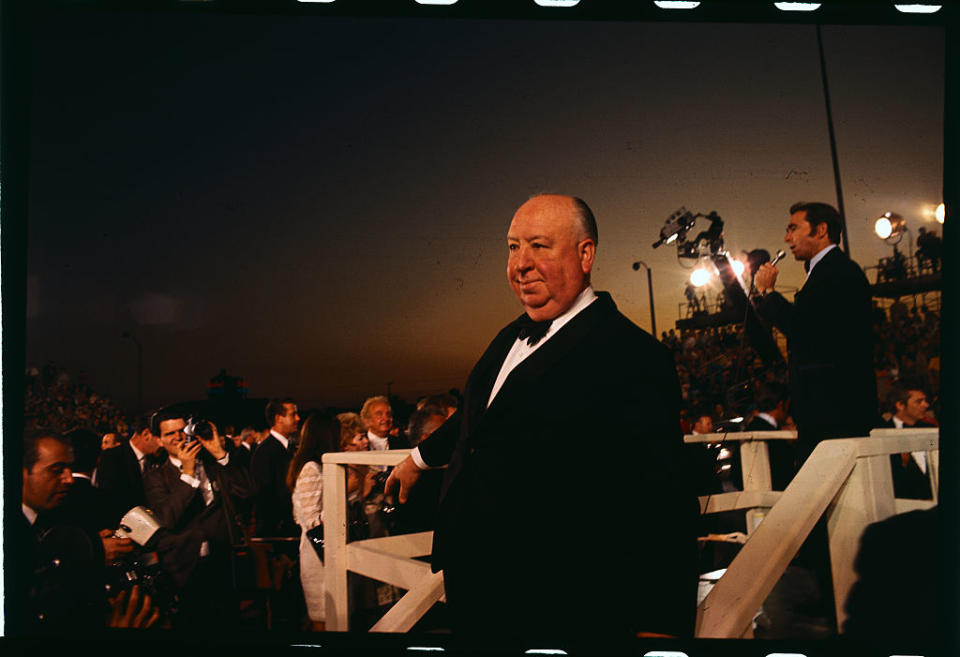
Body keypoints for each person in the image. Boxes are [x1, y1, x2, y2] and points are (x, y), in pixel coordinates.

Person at [386, 194, 698, 643]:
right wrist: (417, 459)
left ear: (585, 254)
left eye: (539, 246)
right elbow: (479, 417)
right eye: (513, 247)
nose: (520, 264)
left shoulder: (633, 356)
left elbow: (663, 502)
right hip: (475, 591)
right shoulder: (508, 335)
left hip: (559, 606)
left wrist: (659, 626)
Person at [753, 201, 877, 465]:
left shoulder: (838, 272)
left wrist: (767, 292)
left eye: (793, 228)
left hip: (835, 417)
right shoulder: (824, 271)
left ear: (820, 230)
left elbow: (806, 331)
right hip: (827, 416)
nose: (787, 237)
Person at [143, 409, 252, 628]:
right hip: (184, 570)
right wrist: (188, 474)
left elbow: (247, 493)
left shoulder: (213, 464)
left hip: (223, 563)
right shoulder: (155, 476)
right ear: (159, 440)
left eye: (182, 430)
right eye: (170, 433)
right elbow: (168, 518)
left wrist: (220, 454)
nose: (178, 437)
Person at [287, 411, 341, 631]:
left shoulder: (316, 464)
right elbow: (311, 521)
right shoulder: (310, 467)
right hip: (317, 552)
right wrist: (343, 498)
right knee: (324, 618)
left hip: (324, 551)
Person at [95, 412, 164, 526]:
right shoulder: (113, 457)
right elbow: (109, 500)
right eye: (160, 438)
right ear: (146, 434)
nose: (162, 444)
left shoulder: (157, 460)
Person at [251, 398, 301, 538]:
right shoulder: (265, 452)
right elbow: (265, 496)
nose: (298, 418)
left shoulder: (288, 448)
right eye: (293, 414)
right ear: (279, 418)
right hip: (277, 532)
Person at [879, 385, 935, 499]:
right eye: (919, 401)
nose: (926, 405)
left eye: (925, 401)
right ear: (900, 405)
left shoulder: (930, 429)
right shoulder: (881, 434)